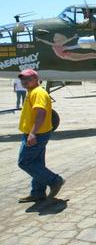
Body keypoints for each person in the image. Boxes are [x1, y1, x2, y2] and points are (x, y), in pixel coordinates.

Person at [16, 69, 64, 203]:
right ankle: (38, 192)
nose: (24, 82)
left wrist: (32, 133)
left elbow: (41, 113)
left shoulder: (38, 92)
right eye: (22, 79)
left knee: (25, 162)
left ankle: (55, 180)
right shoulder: (32, 91)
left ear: (36, 79)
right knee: (37, 163)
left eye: (28, 79)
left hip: (36, 134)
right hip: (36, 133)